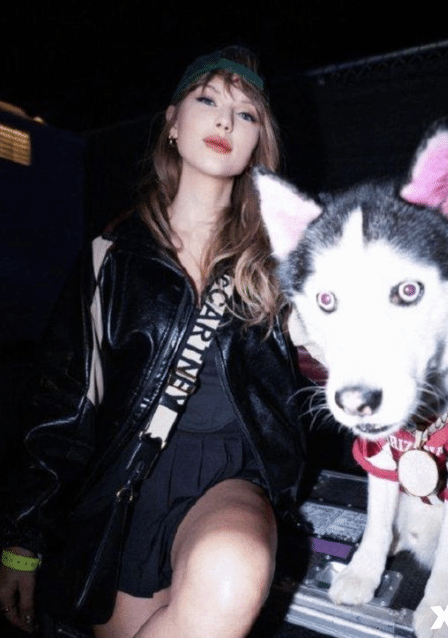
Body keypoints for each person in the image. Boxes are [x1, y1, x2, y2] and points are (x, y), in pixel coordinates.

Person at [0, 46, 307, 638]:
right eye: (208, 100)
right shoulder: (110, 259)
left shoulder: (282, 262)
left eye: (246, 114)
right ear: (172, 122)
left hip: (232, 480)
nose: (225, 120)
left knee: (232, 572)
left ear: (257, 144)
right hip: (127, 486)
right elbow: (62, 406)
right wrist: (22, 539)